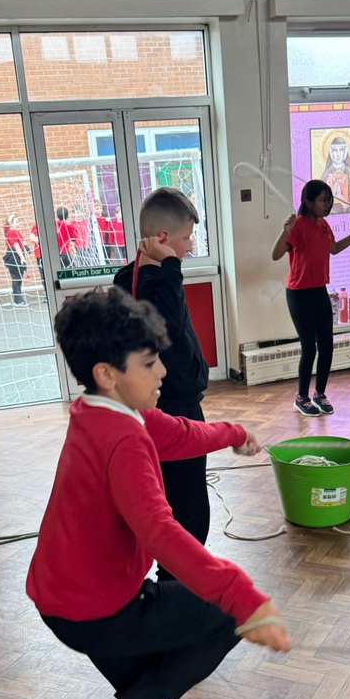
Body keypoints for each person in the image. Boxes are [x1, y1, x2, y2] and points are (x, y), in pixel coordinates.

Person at [26, 287, 290, 699]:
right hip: (97, 606)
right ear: (106, 371)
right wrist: (247, 602)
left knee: (139, 696)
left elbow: (175, 434)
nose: (164, 371)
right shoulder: (122, 436)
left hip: (62, 598)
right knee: (218, 617)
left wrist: (232, 431)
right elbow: (161, 533)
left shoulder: (107, 412)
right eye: (149, 364)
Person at [114, 188, 212, 572]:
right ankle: (177, 579)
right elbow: (166, 325)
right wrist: (171, 267)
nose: (190, 246)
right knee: (187, 507)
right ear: (162, 240)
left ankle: (175, 572)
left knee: (180, 499)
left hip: (177, 406)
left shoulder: (145, 279)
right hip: (171, 411)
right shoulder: (147, 282)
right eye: (186, 238)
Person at [270, 179, 350, 417]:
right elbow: (275, 255)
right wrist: (284, 231)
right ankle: (301, 397)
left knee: (327, 346)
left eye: (329, 200)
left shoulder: (323, 225)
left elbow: (334, 249)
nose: (327, 204)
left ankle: (319, 394)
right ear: (308, 201)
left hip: (319, 291)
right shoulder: (297, 225)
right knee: (309, 347)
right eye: (323, 200)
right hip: (298, 293)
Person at [320, 136, 350, 214]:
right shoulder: (326, 174)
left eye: (341, 150)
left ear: (345, 152)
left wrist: (346, 203)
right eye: (335, 150)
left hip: (348, 215)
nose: (338, 154)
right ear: (331, 153)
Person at [2, 214, 28, 306]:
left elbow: (22, 240)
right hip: (13, 257)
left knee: (19, 278)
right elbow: (16, 246)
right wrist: (22, 258)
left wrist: (26, 247)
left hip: (17, 256)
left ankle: (18, 298)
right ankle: (18, 300)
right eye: (16, 222)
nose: (18, 224)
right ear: (11, 223)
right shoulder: (11, 232)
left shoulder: (16, 231)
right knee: (16, 279)